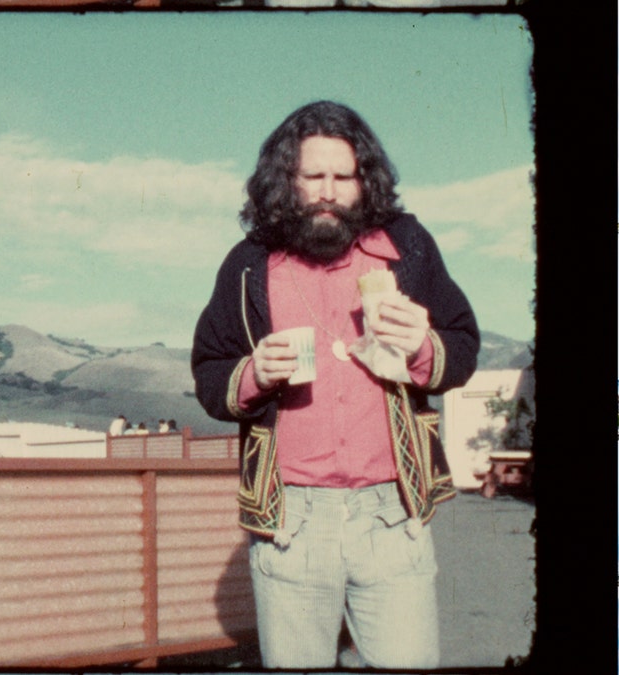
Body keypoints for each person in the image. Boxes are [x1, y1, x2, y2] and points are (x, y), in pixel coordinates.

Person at [190, 100, 479, 669]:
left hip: (392, 513)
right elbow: (208, 373)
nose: (327, 191)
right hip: (291, 522)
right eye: (312, 176)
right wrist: (253, 373)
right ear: (286, 181)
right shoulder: (247, 265)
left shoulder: (409, 249)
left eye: (342, 177)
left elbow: (463, 348)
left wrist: (423, 343)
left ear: (364, 179)